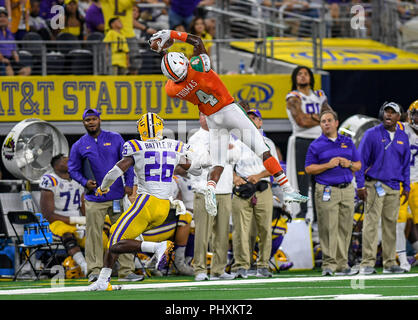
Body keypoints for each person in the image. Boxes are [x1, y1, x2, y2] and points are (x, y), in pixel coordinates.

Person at [149, 29, 308, 218]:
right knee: (262, 149)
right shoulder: (198, 66)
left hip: (212, 119)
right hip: (228, 109)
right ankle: (288, 189)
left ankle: (210, 188)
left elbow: (174, 73)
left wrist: (163, 53)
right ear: (185, 62)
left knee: (218, 163)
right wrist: (172, 34)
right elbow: (197, 41)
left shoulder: (172, 90)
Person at [87, 112, 206, 291]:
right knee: (115, 235)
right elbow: (196, 170)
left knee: (115, 241)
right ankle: (103, 281)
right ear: (160, 128)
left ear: (140, 129)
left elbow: (115, 171)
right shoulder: (174, 145)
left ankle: (157, 247)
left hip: (147, 203)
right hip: (164, 207)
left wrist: (103, 187)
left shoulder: (135, 146)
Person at [68, 108, 141, 283]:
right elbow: (73, 169)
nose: (91, 123)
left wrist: (129, 183)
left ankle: (126, 271)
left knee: (123, 233)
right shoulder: (79, 145)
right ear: (83, 123)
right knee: (93, 235)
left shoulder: (115, 138)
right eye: (87, 120)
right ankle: (94, 271)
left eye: (93, 119)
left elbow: (128, 163)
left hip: (116, 195)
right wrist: (85, 182)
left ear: (99, 120)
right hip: (94, 198)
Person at [356, 102, 410, 275]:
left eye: (392, 113)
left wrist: (406, 185)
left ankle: (389, 263)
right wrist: (360, 185)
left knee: (390, 226)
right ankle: (367, 263)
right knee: (371, 224)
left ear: (398, 117)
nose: (388, 115)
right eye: (386, 112)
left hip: (394, 186)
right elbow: (360, 161)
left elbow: (405, 164)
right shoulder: (371, 134)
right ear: (382, 114)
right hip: (374, 184)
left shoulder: (403, 136)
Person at [305, 110, 361, 276]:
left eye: (329, 120)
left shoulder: (348, 142)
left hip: (347, 189)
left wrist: (349, 163)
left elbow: (358, 165)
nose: (326, 123)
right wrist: (327, 165)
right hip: (326, 189)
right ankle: (329, 265)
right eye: (323, 121)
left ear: (337, 123)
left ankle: (343, 264)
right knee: (328, 227)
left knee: (345, 228)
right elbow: (309, 169)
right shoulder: (315, 145)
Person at [231, 108, 280, 279]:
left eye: (255, 118)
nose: (251, 121)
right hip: (242, 188)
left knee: (265, 228)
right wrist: (235, 178)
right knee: (240, 230)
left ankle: (263, 265)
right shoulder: (236, 143)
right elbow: (226, 165)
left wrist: (258, 176)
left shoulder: (268, 143)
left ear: (260, 122)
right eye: (248, 118)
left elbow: (275, 167)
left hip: (262, 187)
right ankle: (242, 265)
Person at [187, 112, 237, 281]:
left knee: (222, 233)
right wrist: (221, 153)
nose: (206, 118)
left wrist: (215, 153)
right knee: (202, 233)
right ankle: (200, 269)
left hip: (224, 189)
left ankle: (218, 269)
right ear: (199, 118)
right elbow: (200, 161)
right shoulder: (195, 138)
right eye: (202, 115)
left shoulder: (225, 134)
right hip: (204, 190)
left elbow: (236, 155)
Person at [285, 65, 333, 222]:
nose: (303, 76)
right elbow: (301, 121)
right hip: (302, 141)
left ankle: (320, 218)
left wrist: (312, 117)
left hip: (320, 141)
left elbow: (332, 116)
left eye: (306, 74)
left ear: (311, 77)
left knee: (321, 179)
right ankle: (301, 214)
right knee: (302, 181)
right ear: (295, 78)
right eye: (299, 74)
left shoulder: (319, 94)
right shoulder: (293, 96)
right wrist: (320, 118)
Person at [40, 154, 88, 276]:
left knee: (102, 233)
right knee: (67, 234)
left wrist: (89, 220)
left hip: (79, 221)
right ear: (56, 165)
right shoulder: (50, 180)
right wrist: (76, 220)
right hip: (58, 221)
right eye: (65, 160)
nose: (69, 161)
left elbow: (83, 205)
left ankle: (112, 265)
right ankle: (84, 266)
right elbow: (48, 215)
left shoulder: (78, 177)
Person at [396, 99, 418, 272]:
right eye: (417, 115)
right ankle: (400, 255)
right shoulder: (401, 128)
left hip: (417, 181)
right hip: (401, 180)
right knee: (400, 220)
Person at [100, 0, 141, 74]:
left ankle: (131, 83)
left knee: (133, 65)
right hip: (116, 34)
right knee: (112, 65)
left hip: (128, 34)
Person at [0, 6, 31, 75]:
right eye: (0, 17)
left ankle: (18, 84)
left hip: (10, 59)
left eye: (5, 17)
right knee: (8, 69)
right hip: (2, 60)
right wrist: (3, 59)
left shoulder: (10, 33)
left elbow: (13, 50)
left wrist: (17, 61)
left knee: (26, 70)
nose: (3, 19)